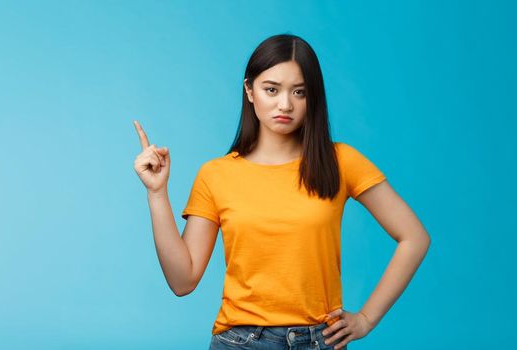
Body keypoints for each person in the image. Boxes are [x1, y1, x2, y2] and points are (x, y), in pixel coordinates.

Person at [131, 34, 430, 350]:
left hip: (319, 341)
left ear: (312, 97)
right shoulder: (217, 174)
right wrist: (157, 193)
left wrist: (367, 319)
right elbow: (183, 280)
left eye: (299, 92)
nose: (284, 104)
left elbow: (414, 237)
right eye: (271, 90)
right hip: (241, 341)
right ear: (249, 90)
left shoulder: (340, 161)